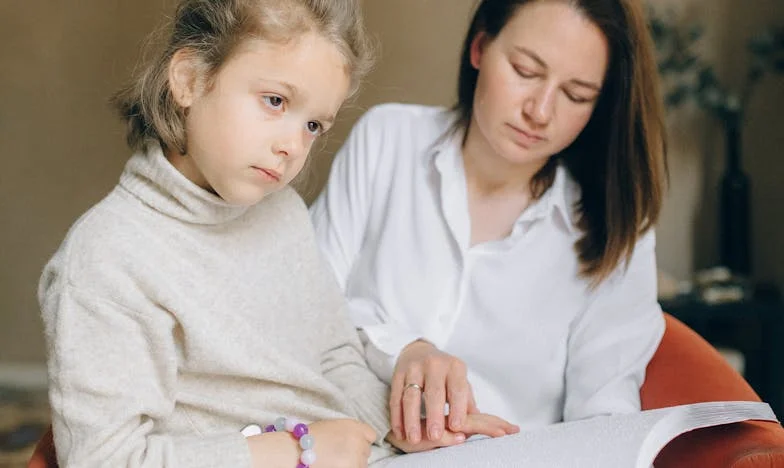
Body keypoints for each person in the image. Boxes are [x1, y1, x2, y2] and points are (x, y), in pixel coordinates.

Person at [35, 1, 475, 466]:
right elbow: (105, 460)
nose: (291, 146)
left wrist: (404, 429)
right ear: (189, 79)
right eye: (275, 101)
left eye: (312, 125)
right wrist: (298, 450)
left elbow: (334, 358)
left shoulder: (281, 211)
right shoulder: (106, 257)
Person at [310, 0, 668, 448]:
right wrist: (403, 351)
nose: (540, 111)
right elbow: (307, 309)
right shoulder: (387, 141)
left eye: (576, 95)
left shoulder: (618, 225)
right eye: (524, 70)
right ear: (480, 47)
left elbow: (603, 415)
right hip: (351, 445)